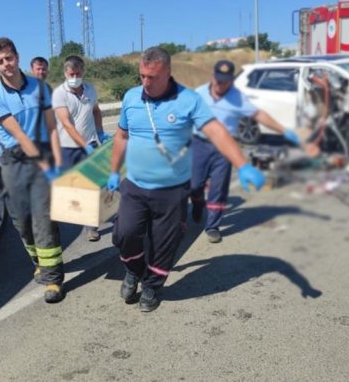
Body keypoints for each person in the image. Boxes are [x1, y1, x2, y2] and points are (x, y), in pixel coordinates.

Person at [106, 47, 266, 312]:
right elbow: (121, 136)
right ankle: (134, 270)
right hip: (135, 184)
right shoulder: (131, 97)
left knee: (164, 243)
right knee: (124, 235)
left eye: (152, 77)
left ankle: (152, 286)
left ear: (168, 73)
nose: (145, 82)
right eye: (142, 76)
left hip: (171, 189)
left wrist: (242, 164)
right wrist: (113, 171)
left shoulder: (188, 100)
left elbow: (216, 131)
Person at [0, 37, 65, 303]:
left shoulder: (41, 88)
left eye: (9, 58)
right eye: (0, 61)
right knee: (21, 220)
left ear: (17, 57)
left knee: (43, 216)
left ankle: (53, 279)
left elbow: (52, 127)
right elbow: (18, 134)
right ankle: (39, 260)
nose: (6, 64)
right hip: (14, 158)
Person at [190, 60, 300, 243]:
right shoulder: (198, 94)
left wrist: (284, 130)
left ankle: (212, 226)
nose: (220, 84)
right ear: (212, 76)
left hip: (224, 149)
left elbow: (259, 115)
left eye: (224, 81)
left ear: (231, 81)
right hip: (199, 144)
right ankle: (197, 202)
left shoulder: (238, 97)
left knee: (218, 189)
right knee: (194, 185)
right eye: (217, 79)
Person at [51, 55, 110, 241]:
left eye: (78, 73)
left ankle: (90, 227)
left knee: (91, 185)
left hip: (90, 143)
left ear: (83, 71)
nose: (75, 77)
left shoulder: (90, 90)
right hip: (67, 147)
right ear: (65, 73)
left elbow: (96, 110)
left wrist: (99, 132)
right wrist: (84, 145)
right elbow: (67, 124)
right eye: (71, 74)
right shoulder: (59, 94)